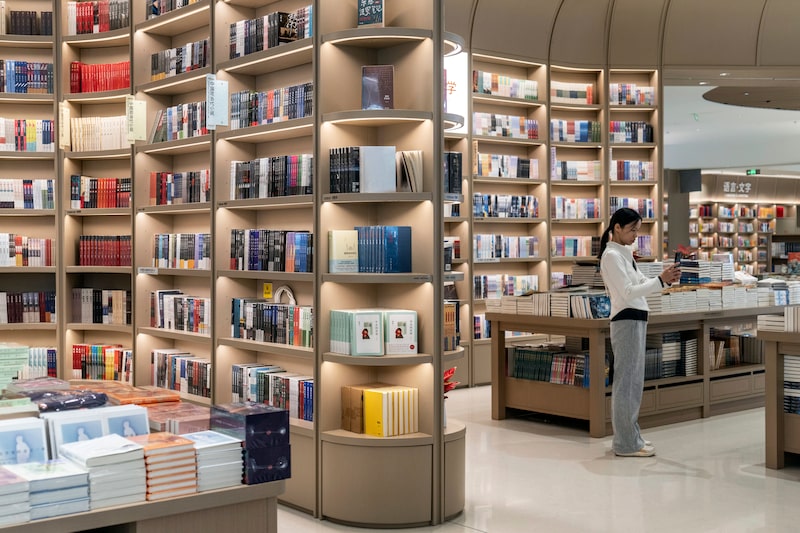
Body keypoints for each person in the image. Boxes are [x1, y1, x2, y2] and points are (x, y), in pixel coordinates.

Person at [599, 207, 680, 457]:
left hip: (635, 319)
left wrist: (664, 279)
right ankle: (625, 442)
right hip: (626, 321)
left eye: (638, 229)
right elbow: (627, 292)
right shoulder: (611, 256)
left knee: (633, 382)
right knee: (626, 383)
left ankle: (631, 437)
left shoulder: (623, 254)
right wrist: (660, 281)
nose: (636, 234)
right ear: (617, 229)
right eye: (632, 229)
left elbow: (641, 283)